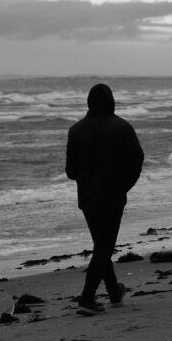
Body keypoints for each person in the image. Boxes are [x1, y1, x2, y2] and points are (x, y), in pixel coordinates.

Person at [66, 83, 144, 315]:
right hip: (113, 195)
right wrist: (125, 186)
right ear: (111, 101)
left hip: (87, 197)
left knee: (102, 246)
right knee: (104, 247)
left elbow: (70, 171)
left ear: (89, 103)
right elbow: (137, 161)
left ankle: (114, 294)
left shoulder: (75, 130)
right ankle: (87, 299)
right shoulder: (122, 127)